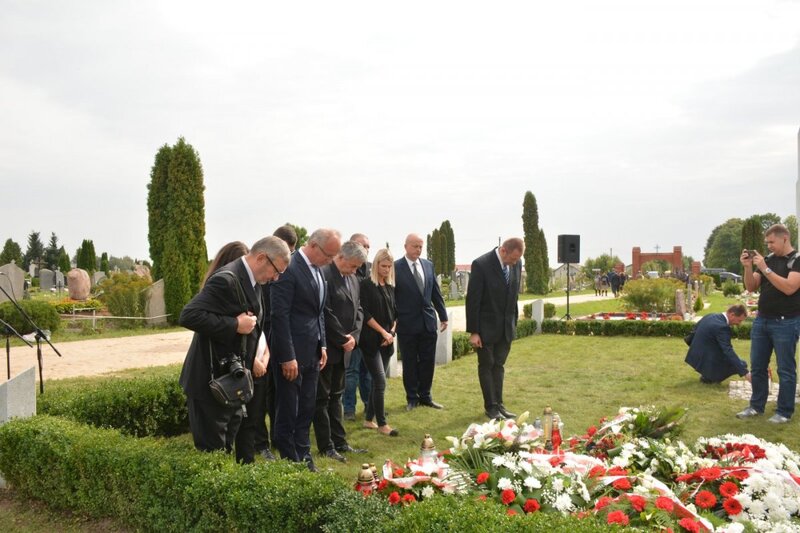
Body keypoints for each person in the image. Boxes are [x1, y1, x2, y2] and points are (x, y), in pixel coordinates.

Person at [178, 236, 289, 462]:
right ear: (261, 258)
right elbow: (189, 315)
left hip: (232, 382)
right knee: (213, 457)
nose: (275, 278)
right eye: (276, 271)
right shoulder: (226, 279)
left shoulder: (254, 281)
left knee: (226, 452)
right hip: (210, 385)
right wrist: (234, 325)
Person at [270, 228, 342, 471]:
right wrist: (287, 356)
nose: (330, 261)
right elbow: (279, 315)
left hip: (313, 352)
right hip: (291, 355)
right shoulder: (289, 268)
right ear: (313, 245)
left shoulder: (318, 269)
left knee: (307, 408)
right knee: (289, 410)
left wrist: (323, 344)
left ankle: (304, 457)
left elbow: (318, 311)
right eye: (328, 255)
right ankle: (291, 463)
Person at [737, 224, 800, 424]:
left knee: (785, 369)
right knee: (757, 367)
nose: (769, 246)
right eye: (767, 243)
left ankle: (784, 412)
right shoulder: (769, 260)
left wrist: (765, 268)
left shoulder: (797, 260)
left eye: (772, 242)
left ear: (785, 238)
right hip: (762, 321)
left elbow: (789, 288)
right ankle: (756, 406)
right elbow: (751, 286)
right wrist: (748, 267)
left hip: (786, 322)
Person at [314, 241, 368, 462]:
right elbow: (324, 312)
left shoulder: (353, 278)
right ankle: (325, 446)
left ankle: (340, 442)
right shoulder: (325, 275)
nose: (354, 271)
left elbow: (359, 309)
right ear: (342, 257)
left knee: (337, 396)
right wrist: (342, 338)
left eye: (357, 268)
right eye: (353, 266)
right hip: (328, 347)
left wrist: (354, 336)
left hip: (346, 347)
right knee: (322, 399)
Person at [465, 238, 524, 420]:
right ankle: (490, 407)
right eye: (512, 259)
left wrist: (513, 323)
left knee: (499, 366)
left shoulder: (516, 263)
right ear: (503, 250)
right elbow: (473, 300)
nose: (514, 263)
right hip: (485, 328)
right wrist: (474, 331)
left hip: (506, 328)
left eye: (517, 260)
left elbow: (513, 295)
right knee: (487, 365)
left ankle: (499, 404)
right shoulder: (481, 265)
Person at [257, 225, 299, 461]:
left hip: (277, 332)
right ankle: (261, 442)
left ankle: (276, 435)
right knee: (262, 390)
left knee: (276, 391)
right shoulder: (262, 267)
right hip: (261, 332)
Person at [394, 233, 448, 411]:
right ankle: (412, 398)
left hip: (428, 322)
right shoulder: (396, 267)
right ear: (406, 246)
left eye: (420, 246)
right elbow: (392, 297)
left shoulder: (428, 265)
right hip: (407, 324)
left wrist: (443, 315)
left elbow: (435, 293)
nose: (418, 249)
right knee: (409, 362)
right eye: (415, 246)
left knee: (427, 361)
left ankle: (426, 396)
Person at [359, 248, 399, 436]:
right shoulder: (366, 285)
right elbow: (365, 313)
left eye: (389, 266)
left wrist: (390, 332)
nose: (386, 269)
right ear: (376, 265)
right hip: (370, 340)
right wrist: (383, 332)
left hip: (387, 340)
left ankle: (368, 420)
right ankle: (382, 423)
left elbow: (395, 313)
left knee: (377, 382)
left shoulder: (390, 286)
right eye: (383, 266)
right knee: (380, 381)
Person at [343, 232, 373, 421]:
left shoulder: (371, 269)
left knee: (367, 372)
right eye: (363, 245)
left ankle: (370, 405)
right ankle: (349, 409)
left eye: (368, 246)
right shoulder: (349, 271)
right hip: (352, 330)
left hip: (368, 330)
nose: (366, 249)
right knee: (351, 371)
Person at [684, 304, 750, 384]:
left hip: (694, 356)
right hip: (706, 360)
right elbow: (728, 350)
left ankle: (707, 374)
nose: (739, 324)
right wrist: (745, 373)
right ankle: (709, 377)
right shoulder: (723, 327)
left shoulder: (710, 315)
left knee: (739, 363)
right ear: (732, 315)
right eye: (739, 320)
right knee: (742, 364)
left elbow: (693, 333)